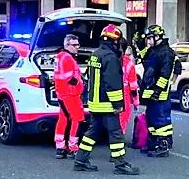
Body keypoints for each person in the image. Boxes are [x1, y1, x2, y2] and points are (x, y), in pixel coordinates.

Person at [73, 24, 140, 175]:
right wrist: (118, 104)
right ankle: (120, 165)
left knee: (92, 132)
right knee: (116, 133)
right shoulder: (111, 58)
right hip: (107, 104)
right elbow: (113, 83)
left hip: (94, 103)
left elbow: (89, 78)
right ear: (115, 41)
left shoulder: (95, 55)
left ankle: (80, 160)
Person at [140, 24, 176, 157]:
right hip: (151, 90)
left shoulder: (165, 52)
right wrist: (142, 47)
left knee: (161, 120)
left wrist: (158, 90)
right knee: (152, 119)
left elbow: (165, 74)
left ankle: (163, 146)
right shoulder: (154, 50)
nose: (148, 41)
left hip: (159, 93)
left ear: (158, 37)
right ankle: (153, 143)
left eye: (150, 38)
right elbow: (145, 62)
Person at [53, 34, 85, 159]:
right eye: (74, 45)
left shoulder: (60, 57)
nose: (77, 47)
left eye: (78, 44)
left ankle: (60, 148)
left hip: (62, 93)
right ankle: (73, 148)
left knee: (63, 119)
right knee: (77, 119)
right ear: (67, 45)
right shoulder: (67, 58)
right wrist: (81, 82)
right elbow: (70, 79)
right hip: (70, 94)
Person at [119, 38, 139, 134]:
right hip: (124, 96)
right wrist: (136, 102)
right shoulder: (129, 64)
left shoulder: (110, 60)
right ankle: (119, 136)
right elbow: (133, 86)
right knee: (123, 117)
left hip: (108, 94)